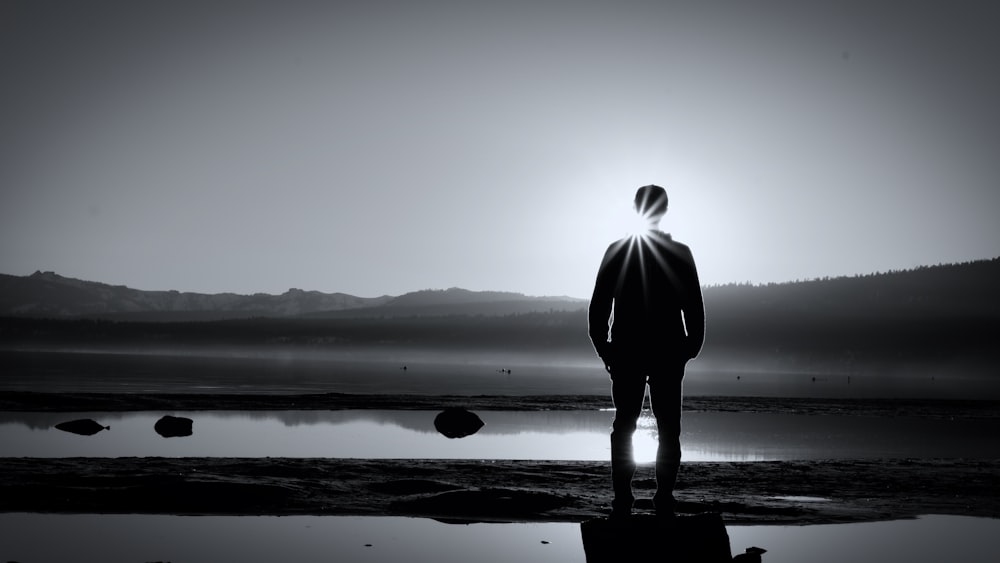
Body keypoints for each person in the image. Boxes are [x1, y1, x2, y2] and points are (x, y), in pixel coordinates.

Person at [588, 184, 706, 518]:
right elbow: (694, 308)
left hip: (637, 349)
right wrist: (690, 346)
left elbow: (598, 308)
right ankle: (657, 497)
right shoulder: (678, 253)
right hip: (657, 350)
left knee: (628, 425)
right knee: (663, 427)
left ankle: (629, 496)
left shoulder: (620, 250)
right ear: (663, 210)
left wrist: (604, 348)